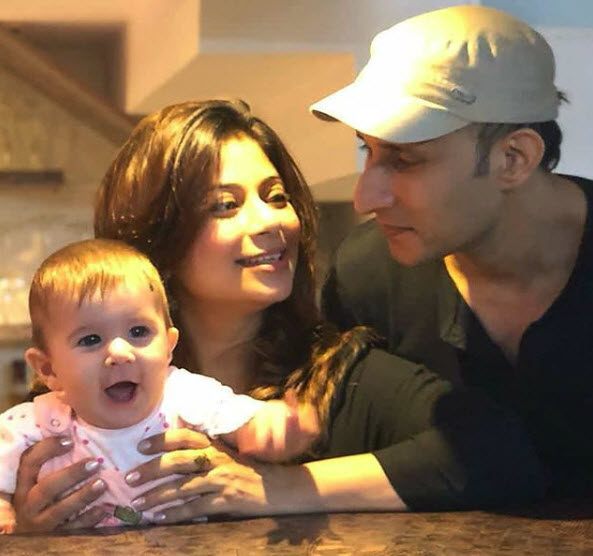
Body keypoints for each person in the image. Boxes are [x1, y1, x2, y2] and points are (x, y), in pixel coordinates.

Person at [11, 99, 546, 533]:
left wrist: (277, 488)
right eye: (226, 205)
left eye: (276, 197)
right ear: (160, 236)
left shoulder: (339, 377)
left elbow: (502, 454)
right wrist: (31, 528)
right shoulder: (83, 396)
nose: (271, 222)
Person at [310, 5, 593, 497]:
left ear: (514, 158)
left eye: (405, 159)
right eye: (368, 150)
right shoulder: (367, 276)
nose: (364, 198)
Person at [0, 238, 318, 533]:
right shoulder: (39, 420)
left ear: (168, 346)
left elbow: (242, 420)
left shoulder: (184, 395)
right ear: (49, 369)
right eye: (91, 339)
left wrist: (272, 429)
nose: (120, 352)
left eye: (138, 332)